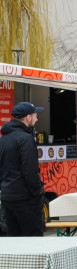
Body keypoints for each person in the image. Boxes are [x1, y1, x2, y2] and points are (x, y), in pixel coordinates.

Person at [0, 101, 46, 236]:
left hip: (7, 198)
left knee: (14, 241)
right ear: (28, 118)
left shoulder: (3, 139)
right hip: (26, 200)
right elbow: (30, 171)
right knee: (33, 240)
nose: (37, 119)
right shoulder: (25, 139)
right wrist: (37, 192)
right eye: (35, 116)